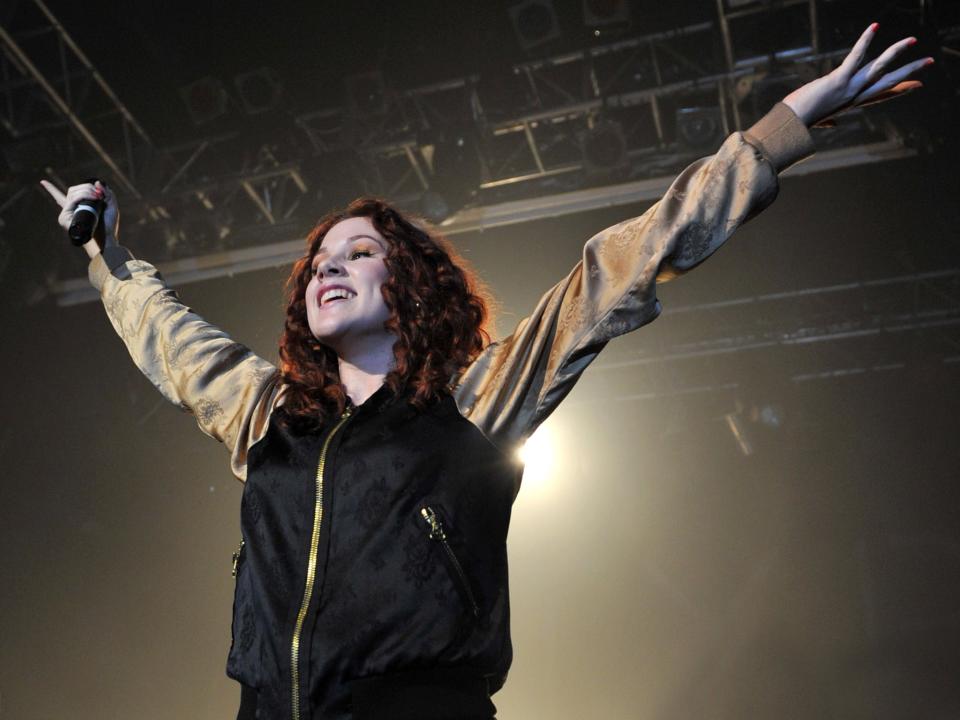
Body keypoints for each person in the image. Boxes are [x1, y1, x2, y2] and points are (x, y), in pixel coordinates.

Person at [42, 24, 930, 720]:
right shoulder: (265, 416)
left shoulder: (472, 400)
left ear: (410, 284)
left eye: (358, 252)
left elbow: (619, 267)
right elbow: (166, 334)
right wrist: (106, 253)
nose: (327, 268)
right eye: (317, 261)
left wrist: (778, 134)